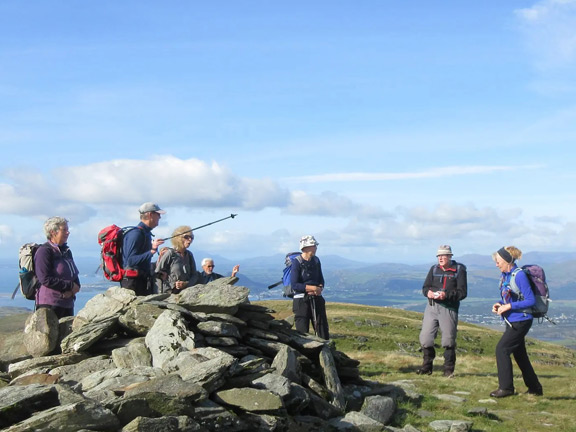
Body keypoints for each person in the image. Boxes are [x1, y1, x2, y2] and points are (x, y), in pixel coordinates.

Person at [490, 246, 543, 398]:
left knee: (502, 349)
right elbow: (509, 297)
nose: (496, 264)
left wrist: (510, 306)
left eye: (498, 261)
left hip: (521, 320)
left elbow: (530, 300)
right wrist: (500, 304)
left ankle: (506, 388)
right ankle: (535, 388)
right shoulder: (506, 275)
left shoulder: (519, 276)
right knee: (520, 355)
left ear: (507, 260)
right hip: (512, 320)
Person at [417, 245, 467, 377]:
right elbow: (425, 287)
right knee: (425, 338)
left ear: (450, 256)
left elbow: (462, 293)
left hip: (449, 308)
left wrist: (446, 295)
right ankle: (427, 367)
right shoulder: (434, 269)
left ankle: (448, 370)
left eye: (443, 255)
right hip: (432, 306)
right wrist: (428, 293)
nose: (440, 258)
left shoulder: (459, 270)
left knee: (448, 340)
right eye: (438, 256)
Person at [34, 217, 81, 319]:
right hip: (49, 305)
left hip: (67, 304)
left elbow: (74, 275)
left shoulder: (66, 251)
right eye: (64, 230)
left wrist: (72, 290)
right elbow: (45, 279)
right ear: (53, 232)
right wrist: (70, 286)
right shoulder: (44, 251)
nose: (68, 233)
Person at [120, 202, 165, 296]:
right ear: (150, 215)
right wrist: (152, 251)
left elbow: (141, 262)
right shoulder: (136, 234)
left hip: (140, 281)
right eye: (158, 214)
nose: (160, 217)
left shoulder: (144, 233)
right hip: (132, 283)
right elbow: (131, 261)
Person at [290, 235, 329, 340]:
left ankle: (325, 352)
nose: (316, 248)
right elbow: (294, 285)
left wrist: (319, 288)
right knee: (302, 332)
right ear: (306, 247)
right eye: (314, 245)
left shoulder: (316, 261)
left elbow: (321, 279)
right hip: (301, 301)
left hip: (317, 298)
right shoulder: (297, 262)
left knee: (322, 329)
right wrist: (312, 288)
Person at [155, 226, 202, 294]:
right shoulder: (170, 254)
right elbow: (158, 274)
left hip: (186, 293)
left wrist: (186, 284)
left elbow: (194, 275)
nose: (190, 240)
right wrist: (171, 286)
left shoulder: (189, 255)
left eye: (192, 237)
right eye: (186, 237)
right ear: (178, 238)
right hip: (169, 294)